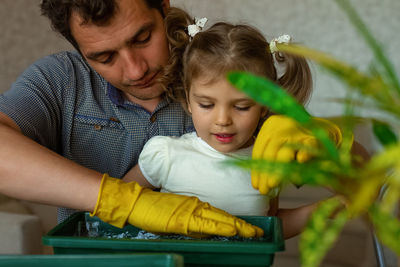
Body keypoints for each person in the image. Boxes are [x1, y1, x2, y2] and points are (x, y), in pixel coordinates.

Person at [0, 0, 347, 238]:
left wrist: (327, 137)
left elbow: (363, 179)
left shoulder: (219, 75)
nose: (136, 70)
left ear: (164, 8)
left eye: (143, 38)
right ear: (76, 47)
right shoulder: (59, 80)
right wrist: (122, 200)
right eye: (105, 56)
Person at [122, 8, 335, 239]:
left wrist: (329, 210)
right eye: (206, 104)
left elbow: (268, 229)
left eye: (242, 107)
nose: (223, 120)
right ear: (189, 100)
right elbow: (116, 206)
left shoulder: (268, 163)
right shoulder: (164, 154)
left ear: (264, 105)